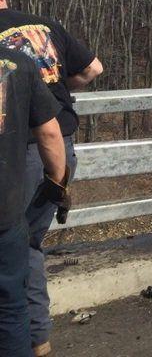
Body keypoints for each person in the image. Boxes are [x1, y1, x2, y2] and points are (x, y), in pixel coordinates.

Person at [0, 0, 102, 357]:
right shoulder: (46, 25)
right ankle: (37, 338)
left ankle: (31, 338)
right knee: (27, 243)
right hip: (62, 145)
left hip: (21, 149)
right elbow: (94, 69)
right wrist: (55, 93)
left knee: (16, 243)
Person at [0, 47, 69, 356]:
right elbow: (51, 134)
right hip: (5, 212)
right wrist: (58, 182)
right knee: (11, 308)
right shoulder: (20, 63)